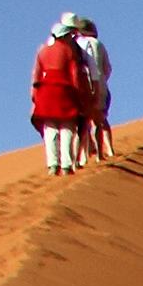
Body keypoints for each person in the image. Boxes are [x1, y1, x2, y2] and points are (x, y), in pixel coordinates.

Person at [31, 14, 91, 174]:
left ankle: (52, 164)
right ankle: (66, 165)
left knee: (50, 130)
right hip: (65, 92)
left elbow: (35, 76)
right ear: (65, 36)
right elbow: (75, 76)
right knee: (67, 129)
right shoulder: (69, 52)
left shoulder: (42, 51)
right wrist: (80, 96)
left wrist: (35, 96)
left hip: (45, 92)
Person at [73, 15, 115, 163]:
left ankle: (82, 157)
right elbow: (107, 68)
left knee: (83, 124)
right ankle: (106, 151)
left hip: (82, 86)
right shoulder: (98, 44)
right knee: (100, 120)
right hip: (100, 85)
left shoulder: (75, 44)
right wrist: (102, 81)